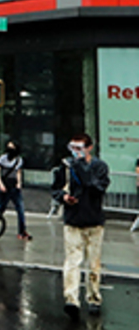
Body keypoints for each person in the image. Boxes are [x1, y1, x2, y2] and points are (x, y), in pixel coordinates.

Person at [57, 134, 110, 320]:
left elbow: (98, 188)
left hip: (94, 220)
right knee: (72, 261)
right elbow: (56, 189)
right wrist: (63, 198)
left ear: (89, 148)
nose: (75, 152)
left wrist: (82, 168)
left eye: (79, 148)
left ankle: (94, 297)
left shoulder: (99, 167)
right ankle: (71, 300)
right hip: (73, 220)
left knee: (93, 262)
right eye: (72, 147)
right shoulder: (65, 167)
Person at [0, 140, 30, 240]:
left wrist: (19, 183)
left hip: (14, 187)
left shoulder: (18, 160)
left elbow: (18, 172)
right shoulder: (3, 158)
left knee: (20, 209)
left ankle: (21, 231)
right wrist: (0, 184)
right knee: (1, 207)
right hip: (5, 185)